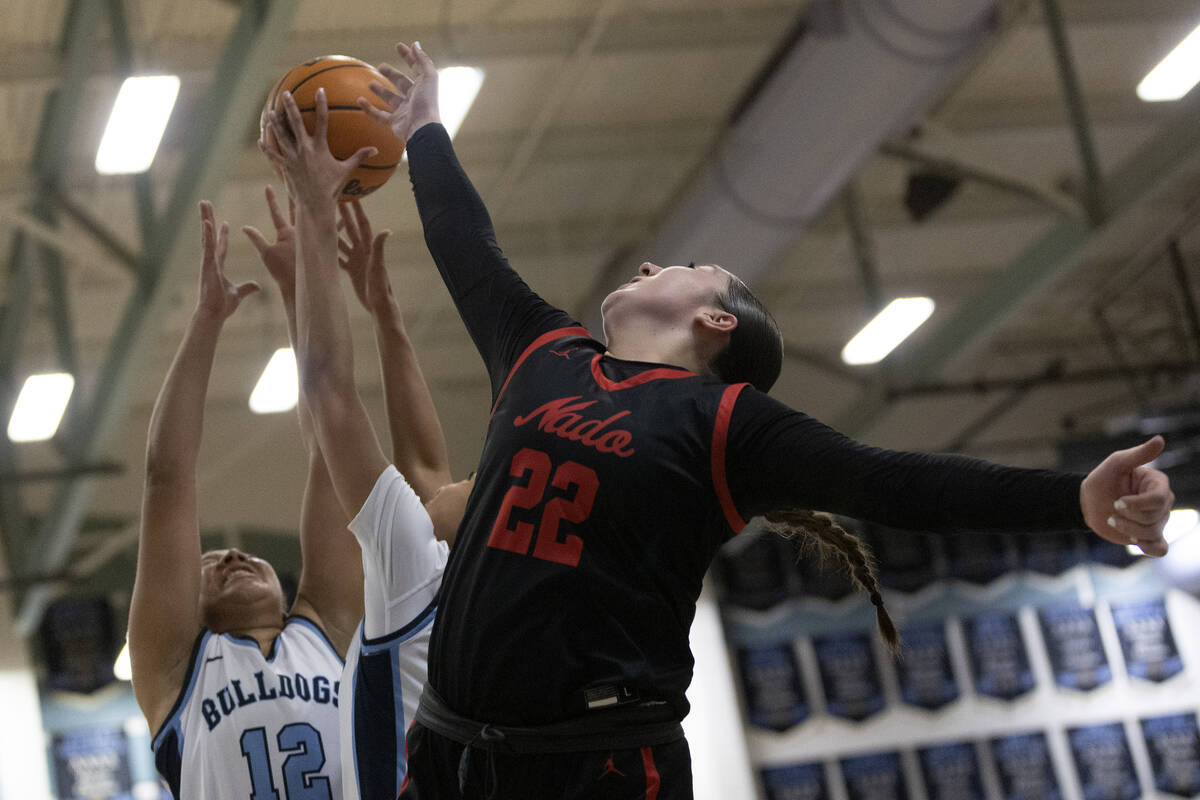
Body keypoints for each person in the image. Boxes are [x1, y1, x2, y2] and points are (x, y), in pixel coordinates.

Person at [273, 44, 1173, 798]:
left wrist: (1075, 500)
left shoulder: (730, 425)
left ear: (717, 321)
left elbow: (896, 481)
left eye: (690, 265)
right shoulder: (547, 355)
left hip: (600, 765)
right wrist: (424, 127)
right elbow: (465, 244)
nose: (660, 258)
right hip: (450, 754)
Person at [243, 184, 475, 800]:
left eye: (471, 483)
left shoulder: (416, 582)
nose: (447, 483)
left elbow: (330, 397)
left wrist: (316, 215)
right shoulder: (457, 582)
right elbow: (426, 464)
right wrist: (384, 312)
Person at [130, 202, 364, 799]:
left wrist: (298, 290)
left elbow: (330, 445)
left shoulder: (329, 628)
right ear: (189, 606)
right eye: (209, 564)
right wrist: (206, 319)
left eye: (233, 554)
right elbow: (167, 480)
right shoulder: (173, 673)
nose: (230, 555)